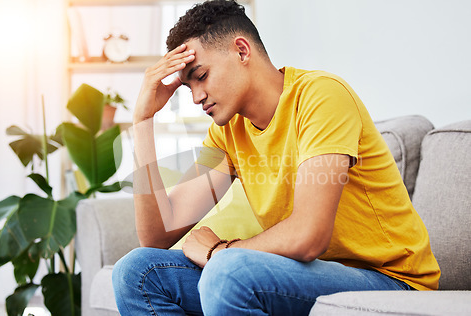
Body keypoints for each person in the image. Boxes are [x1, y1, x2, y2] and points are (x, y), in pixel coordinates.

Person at [112, 1, 441, 315]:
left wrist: (218, 252)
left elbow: (308, 237)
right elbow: (156, 236)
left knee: (227, 270)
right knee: (137, 272)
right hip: (300, 276)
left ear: (242, 51)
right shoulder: (229, 132)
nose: (197, 96)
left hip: (392, 282)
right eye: (188, 87)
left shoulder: (321, 97)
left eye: (201, 76)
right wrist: (143, 121)